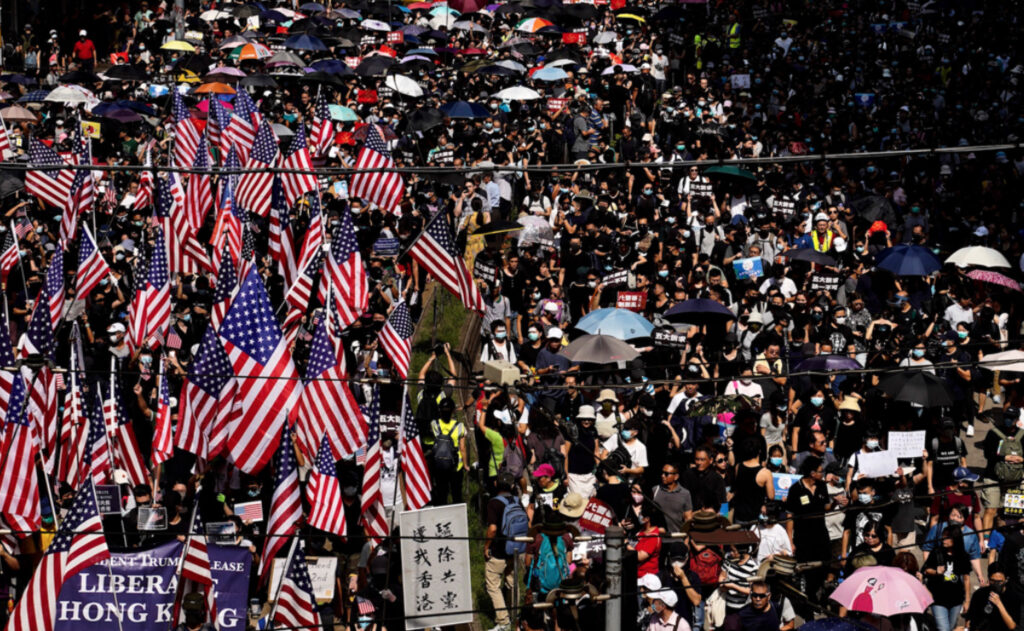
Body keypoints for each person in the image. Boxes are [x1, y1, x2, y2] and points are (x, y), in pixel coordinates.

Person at [484, 473, 519, 631]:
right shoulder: (518, 501)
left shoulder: (493, 503)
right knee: (512, 582)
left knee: (493, 585)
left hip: (498, 551)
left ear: (496, 484)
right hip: (516, 549)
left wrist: (486, 547)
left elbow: (492, 529)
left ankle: (503, 622)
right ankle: (516, 614)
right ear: (512, 486)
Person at [922, 525, 972, 631]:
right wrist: (936, 571)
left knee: (950, 627)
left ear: (956, 539)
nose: (944, 540)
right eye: (943, 536)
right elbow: (926, 570)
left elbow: (966, 579)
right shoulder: (937, 552)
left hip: (956, 600)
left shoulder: (963, 556)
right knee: (943, 629)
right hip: (938, 599)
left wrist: (967, 601)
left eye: (947, 537)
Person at [964, 563, 1018, 631]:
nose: (996, 584)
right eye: (993, 581)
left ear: (1006, 580)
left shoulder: (1013, 597)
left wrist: (999, 604)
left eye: (999, 582)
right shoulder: (979, 594)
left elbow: (1012, 626)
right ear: (988, 579)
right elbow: (970, 619)